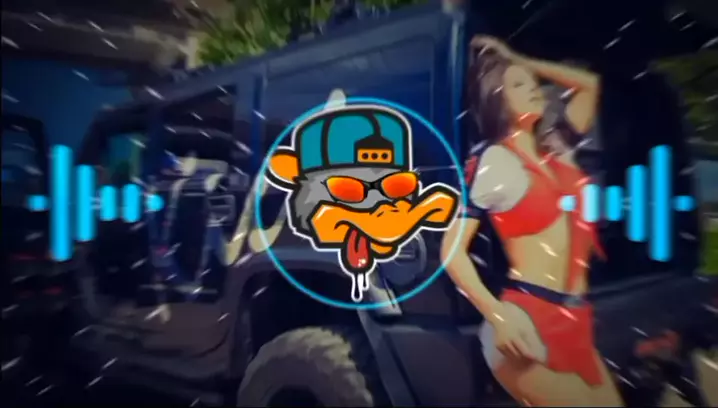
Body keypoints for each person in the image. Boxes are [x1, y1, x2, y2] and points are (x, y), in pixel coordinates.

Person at [440, 36, 624, 407]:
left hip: (574, 318)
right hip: (527, 321)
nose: (534, 88)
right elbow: (451, 252)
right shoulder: (494, 160)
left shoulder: (555, 148)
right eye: (518, 85)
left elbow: (588, 85)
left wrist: (518, 59)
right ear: (497, 98)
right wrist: (497, 316)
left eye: (533, 82)